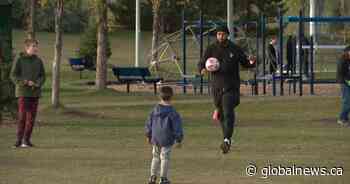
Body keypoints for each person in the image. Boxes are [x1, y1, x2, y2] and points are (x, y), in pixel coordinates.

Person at [198, 26, 256, 154]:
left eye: (223, 34)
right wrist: (202, 68)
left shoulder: (234, 49)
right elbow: (202, 62)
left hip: (231, 86)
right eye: (218, 34)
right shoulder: (211, 49)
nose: (220, 36)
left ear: (227, 35)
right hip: (216, 87)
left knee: (228, 110)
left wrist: (253, 62)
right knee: (221, 114)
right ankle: (226, 138)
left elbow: (246, 63)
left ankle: (226, 140)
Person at [10, 38, 46, 148]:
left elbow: (42, 76)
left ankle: (26, 140)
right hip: (23, 92)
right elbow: (13, 75)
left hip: (35, 93)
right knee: (22, 117)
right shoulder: (19, 59)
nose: (36, 48)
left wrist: (37, 83)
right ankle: (19, 141)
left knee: (31, 118)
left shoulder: (39, 61)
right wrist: (24, 82)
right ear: (27, 48)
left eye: (36, 46)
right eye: (33, 46)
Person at [145, 86, 183, 184]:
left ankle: (152, 176)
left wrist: (148, 135)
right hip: (167, 137)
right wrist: (179, 139)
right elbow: (177, 127)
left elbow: (149, 123)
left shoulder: (154, 110)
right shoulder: (173, 112)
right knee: (165, 157)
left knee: (155, 157)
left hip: (155, 137)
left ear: (160, 96)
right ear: (171, 97)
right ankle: (163, 178)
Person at [336, 45, 350, 127]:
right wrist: (348, 81)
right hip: (344, 83)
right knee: (347, 101)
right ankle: (341, 119)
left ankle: (345, 118)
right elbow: (342, 75)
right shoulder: (342, 61)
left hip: (348, 81)